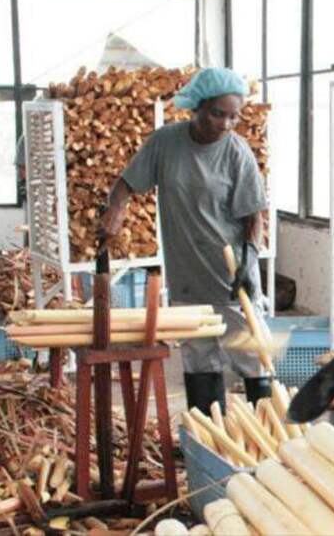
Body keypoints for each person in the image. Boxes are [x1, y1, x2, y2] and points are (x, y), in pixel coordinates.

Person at [99, 67, 269, 415]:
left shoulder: (238, 153)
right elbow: (125, 184)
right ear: (196, 107)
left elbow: (255, 218)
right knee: (198, 357)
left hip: (230, 277)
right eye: (217, 114)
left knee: (252, 355)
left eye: (233, 117)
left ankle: (268, 435)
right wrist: (115, 212)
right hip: (187, 275)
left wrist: (248, 261)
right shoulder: (166, 142)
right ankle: (208, 436)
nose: (224, 124)